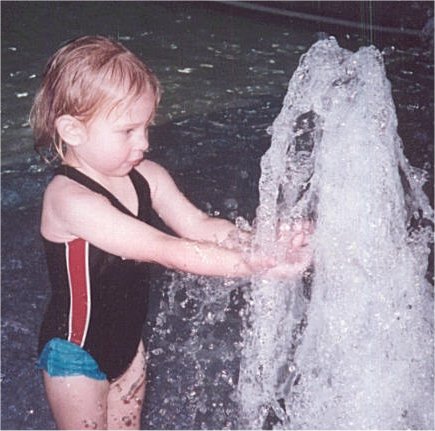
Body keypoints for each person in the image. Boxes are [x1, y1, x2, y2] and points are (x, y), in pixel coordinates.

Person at [30, 35, 311, 430]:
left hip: (129, 349)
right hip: (75, 356)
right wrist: (254, 265)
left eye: (146, 126)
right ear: (73, 131)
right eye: (127, 130)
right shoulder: (69, 200)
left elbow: (200, 226)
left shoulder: (146, 176)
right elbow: (165, 248)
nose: (143, 142)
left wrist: (265, 245)